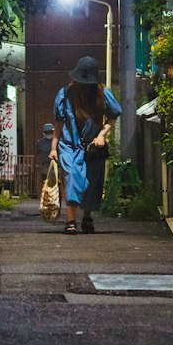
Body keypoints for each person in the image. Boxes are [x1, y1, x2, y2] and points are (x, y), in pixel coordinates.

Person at [49, 55, 122, 234]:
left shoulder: (102, 94)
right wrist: (53, 147)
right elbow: (59, 122)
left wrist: (102, 135)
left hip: (92, 146)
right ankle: (71, 220)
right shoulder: (65, 94)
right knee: (72, 176)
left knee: (90, 180)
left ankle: (87, 217)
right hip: (69, 145)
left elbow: (113, 115)